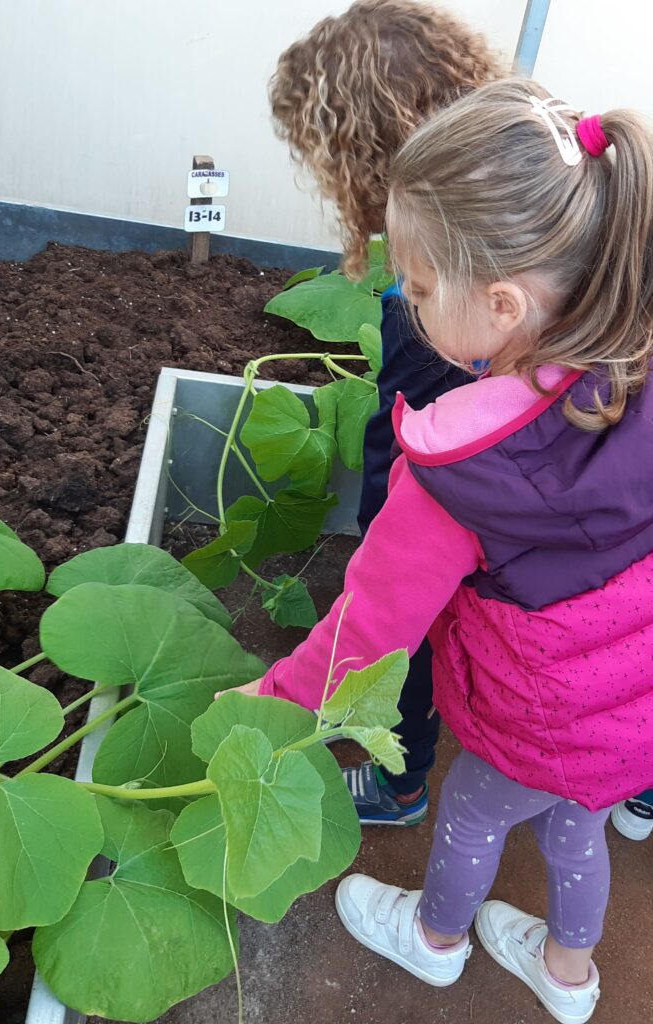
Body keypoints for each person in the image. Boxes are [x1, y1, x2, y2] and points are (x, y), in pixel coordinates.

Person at [226, 79, 653, 1023]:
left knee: (469, 812)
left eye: (417, 290)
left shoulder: (455, 470)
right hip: (634, 710)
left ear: (502, 304)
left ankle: (433, 942)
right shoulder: (635, 361)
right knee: (575, 829)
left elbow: (366, 633)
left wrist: (269, 699)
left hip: (537, 721)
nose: (407, 307)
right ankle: (568, 974)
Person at [269, 0, 502, 825]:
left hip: (454, 433)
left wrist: (280, 693)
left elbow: (396, 543)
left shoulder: (432, 306)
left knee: (401, 575)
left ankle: (399, 782)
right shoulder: (532, 178)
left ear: (364, 151)